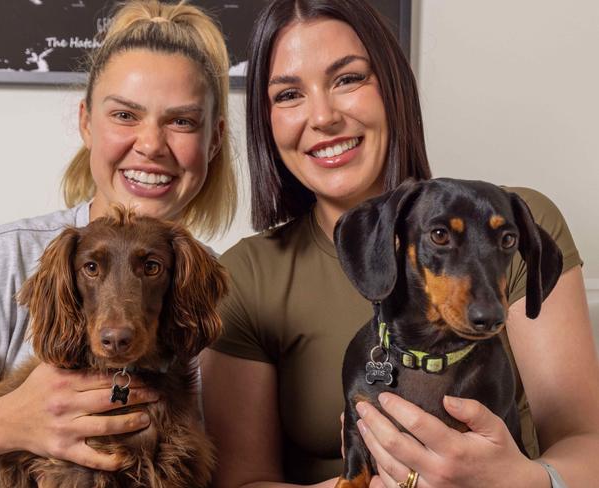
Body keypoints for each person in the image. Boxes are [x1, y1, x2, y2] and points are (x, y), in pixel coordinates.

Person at [201, 0, 599, 487]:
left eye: (348, 79)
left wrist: (521, 482)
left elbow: (590, 451)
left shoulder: (515, 226)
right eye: (288, 94)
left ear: (393, 87)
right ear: (266, 119)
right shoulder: (248, 276)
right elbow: (240, 482)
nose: (322, 116)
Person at [0, 0, 236, 482]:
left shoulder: (227, 292)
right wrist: (6, 422)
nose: (150, 144)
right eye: (125, 114)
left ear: (214, 139)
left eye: (181, 121)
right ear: (86, 122)